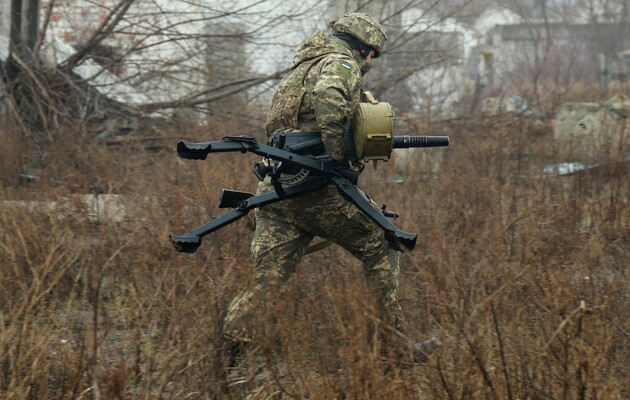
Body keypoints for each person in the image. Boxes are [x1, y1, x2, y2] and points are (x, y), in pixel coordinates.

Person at [223, 12, 437, 365]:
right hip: (316, 189)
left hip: (276, 190)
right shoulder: (341, 64)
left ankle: (228, 355)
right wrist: (339, 155)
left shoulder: (300, 71)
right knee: (383, 245)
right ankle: (394, 350)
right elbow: (331, 97)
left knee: (267, 285)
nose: (368, 63)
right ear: (365, 50)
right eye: (371, 56)